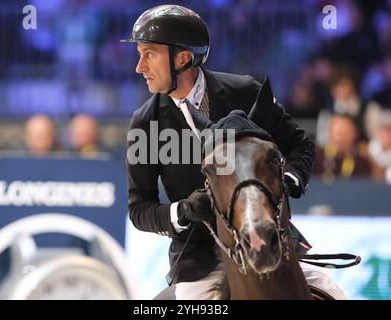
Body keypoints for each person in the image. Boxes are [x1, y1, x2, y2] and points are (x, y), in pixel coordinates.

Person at [122, 4, 345, 300]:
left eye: (149, 53)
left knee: (332, 292)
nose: (140, 66)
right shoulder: (145, 122)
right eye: (140, 54)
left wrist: (288, 180)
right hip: (200, 262)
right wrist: (183, 211)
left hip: (266, 242)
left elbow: (300, 146)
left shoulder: (246, 92)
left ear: (183, 57)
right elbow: (139, 210)